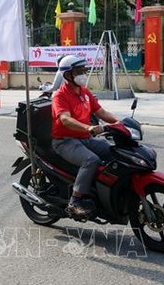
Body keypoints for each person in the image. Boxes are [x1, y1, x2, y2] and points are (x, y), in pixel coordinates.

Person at [51, 55, 119, 217]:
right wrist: (89, 127)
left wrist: (120, 123)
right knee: (91, 160)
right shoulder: (60, 96)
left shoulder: (84, 92)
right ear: (68, 75)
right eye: (79, 71)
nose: (83, 74)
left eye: (84, 70)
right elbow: (65, 119)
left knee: (114, 151)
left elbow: (100, 112)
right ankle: (75, 201)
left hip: (84, 138)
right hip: (65, 141)